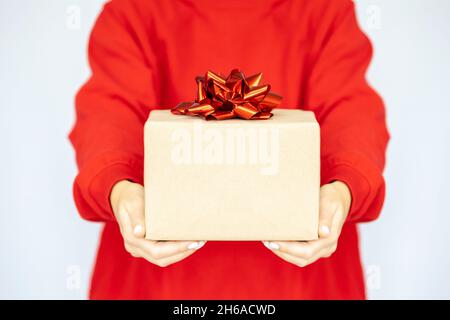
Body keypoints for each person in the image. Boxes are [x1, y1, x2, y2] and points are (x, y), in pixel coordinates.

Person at [70, 0, 389, 299]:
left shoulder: (323, 9)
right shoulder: (135, 10)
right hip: (154, 280)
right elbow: (109, 109)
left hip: (302, 280)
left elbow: (350, 109)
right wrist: (117, 185)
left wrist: (345, 184)